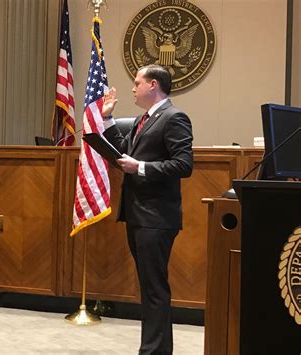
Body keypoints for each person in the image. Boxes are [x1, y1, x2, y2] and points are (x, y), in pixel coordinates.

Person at [102, 64, 193, 354]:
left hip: (156, 218)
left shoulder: (174, 117)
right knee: (150, 288)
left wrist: (140, 167)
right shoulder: (144, 119)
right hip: (139, 214)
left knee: (155, 290)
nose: (132, 88)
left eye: (137, 82)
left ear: (153, 85)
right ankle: (156, 350)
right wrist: (107, 119)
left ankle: (153, 351)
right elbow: (122, 151)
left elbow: (184, 164)